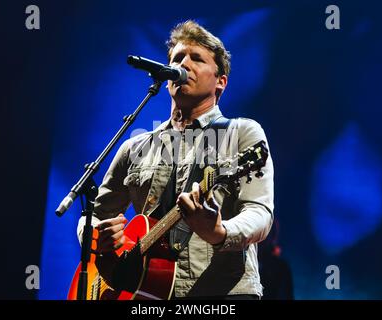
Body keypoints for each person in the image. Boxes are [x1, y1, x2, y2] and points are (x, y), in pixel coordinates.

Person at [77, 20, 274, 299]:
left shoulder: (242, 133)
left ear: (221, 82)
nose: (184, 64)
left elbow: (260, 212)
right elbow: (97, 214)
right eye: (177, 58)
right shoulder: (135, 146)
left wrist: (220, 231)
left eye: (197, 58)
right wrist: (100, 238)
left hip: (222, 293)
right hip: (145, 293)